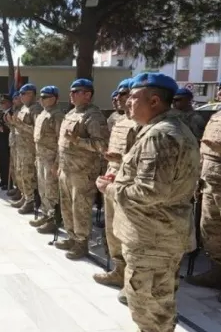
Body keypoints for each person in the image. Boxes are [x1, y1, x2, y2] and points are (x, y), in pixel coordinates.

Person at [97, 72, 199, 332]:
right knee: (158, 302)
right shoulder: (159, 130)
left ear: (154, 101)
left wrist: (111, 188)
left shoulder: (160, 135)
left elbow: (149, 192)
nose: (126, 103)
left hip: (153, 239)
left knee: (149, 309)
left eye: (133, 98)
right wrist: (121, 175)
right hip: (156, 236)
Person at [186, 72, 221, 305]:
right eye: (220, 88)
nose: (220, 93)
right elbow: (204, 152)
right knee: (210, 230)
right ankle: (216, 271)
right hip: (210, 186)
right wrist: (198, 179)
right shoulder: (217, 117)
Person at [56, 79, 110, 259]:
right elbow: (62, 143)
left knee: (81, 209)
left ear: (88, 94)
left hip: (83, 171)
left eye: (76, 91)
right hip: (66, 169)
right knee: (67, 206)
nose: (71, 94)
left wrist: (78, 141)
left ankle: (81, 242)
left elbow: (102, 145)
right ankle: (71, 236)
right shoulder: (71, 113)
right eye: (71, 91)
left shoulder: (93, 116)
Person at [93, 79, 137, 288]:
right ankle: (118, 270)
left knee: (128, 231)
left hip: (130, 186)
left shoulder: (145, 125)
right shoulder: (119, 122)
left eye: (124, 94)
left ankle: (132, 279)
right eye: (118, 94)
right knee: (112, 228)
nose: (119, 98)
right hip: (112, 179)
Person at [30, 86, 64, 233]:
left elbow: (60, 141)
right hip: (41, 157)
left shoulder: (57, 115)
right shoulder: (43, 114)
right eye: (41, 97)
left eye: (44, 97)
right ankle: (45, 214)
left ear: (53, 98)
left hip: (51, 159)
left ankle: (53, 219)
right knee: (43, 188)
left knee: (51, 191)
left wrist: (57, 162)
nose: (41, 100)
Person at [6, 83, 43, 214]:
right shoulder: (22, 109)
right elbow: (18, 127)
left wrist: (20, 125)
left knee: (28, 175)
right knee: (21, 173)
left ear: (31, 94)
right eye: (19, 94)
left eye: (23, 94)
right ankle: (25, 196)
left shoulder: (36, 110)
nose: (20, 97)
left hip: (29, 149)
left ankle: (31, 200)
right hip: (20, 148)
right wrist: (12, 123)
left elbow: (37, 131)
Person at [0, 95, 12, 188]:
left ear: (9, 103)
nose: (2, 105)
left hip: (6, 142)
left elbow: (12, 128)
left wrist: (3, 130)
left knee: (7, 163)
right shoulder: (3, 113)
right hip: (0, 142)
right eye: (1, 103)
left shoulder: (11, 113)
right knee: (1, 162)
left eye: (3, 103)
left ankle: (8, 183)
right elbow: (0, 125)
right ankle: (3, 180)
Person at [7, 92, 23, 196]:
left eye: (16, 98)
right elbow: (13, 128)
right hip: (14, 143)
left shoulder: (23, 111)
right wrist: (9, 122)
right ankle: (17, 187)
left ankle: (22, 191)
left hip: (22, 144)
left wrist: (13, 123)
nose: (14, 101)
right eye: (14, 99)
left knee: (20, 169)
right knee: (14, 169)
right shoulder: (15, 111)